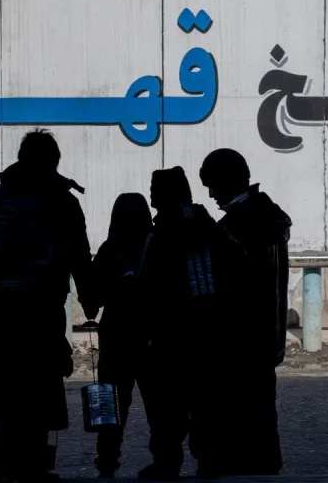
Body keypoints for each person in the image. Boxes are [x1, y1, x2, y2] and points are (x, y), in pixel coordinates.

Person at [0, 129, 92, 482]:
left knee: (3, 390)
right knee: (40, 390)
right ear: (54, 162)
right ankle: (33, 467)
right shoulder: (62, 201)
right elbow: (79, 256)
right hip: (42, 315)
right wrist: (90, 299)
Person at [137, 166, 244, 481]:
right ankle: (209, 460)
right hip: (208, 328)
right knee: (204, 401)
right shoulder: (205, 225)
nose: (152, 197)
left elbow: (151, 282)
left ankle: (169, 461)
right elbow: (236, 261)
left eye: (156, 191)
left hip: (174, 330)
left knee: (168, 403)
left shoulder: (166, 230)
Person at [199, 149, 292, 476]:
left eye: (212, 185)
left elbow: (240, 272)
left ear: (227, 180)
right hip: (263, 336)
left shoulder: (242, 224)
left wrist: (210, 232)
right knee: (261, 412)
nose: (211, 195)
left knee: (240, 413)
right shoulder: (267, 218)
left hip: (241, 336)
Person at [80, 193, 154, 478]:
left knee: (112, 402)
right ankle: (166, 457)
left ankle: (107, 459)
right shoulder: (156, 244)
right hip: (151, 336)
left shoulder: (110, 249)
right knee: (158, 404)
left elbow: (93, 299)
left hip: (116, 337)